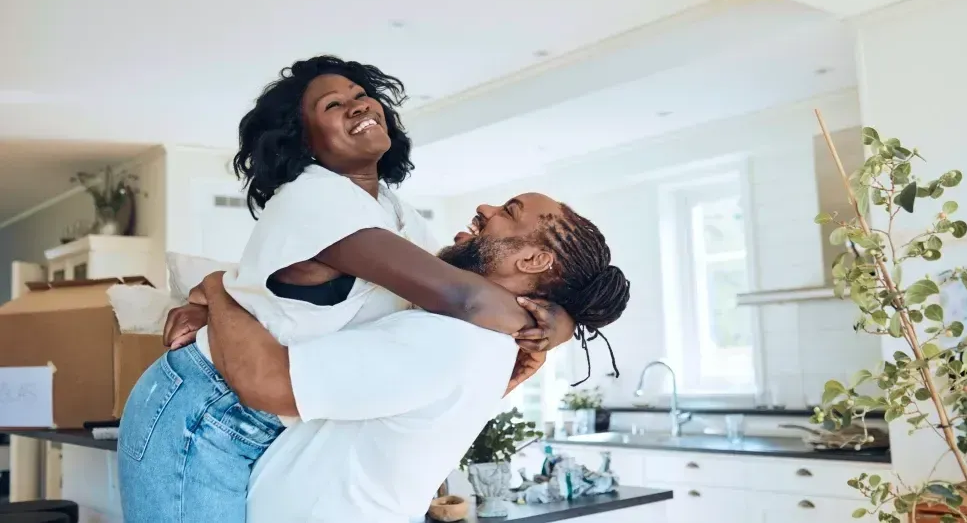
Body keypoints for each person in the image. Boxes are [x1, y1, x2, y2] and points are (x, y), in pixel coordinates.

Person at [116, 56, 573, 523]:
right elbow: (466, 300)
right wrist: (555, 323)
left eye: (360, 95)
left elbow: (456, 301)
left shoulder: (396, 213)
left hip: (274, 415)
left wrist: (555, 323)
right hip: (206, 409)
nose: (357, 107)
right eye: (333, 105)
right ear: (304, 142)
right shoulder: (313, 198)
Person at [166, 192, 631, 522]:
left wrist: (215, 287)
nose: (486, 208)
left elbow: (266, 383)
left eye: (509, 212)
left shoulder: (447, 340)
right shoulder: (482, 339)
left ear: (532, 262)